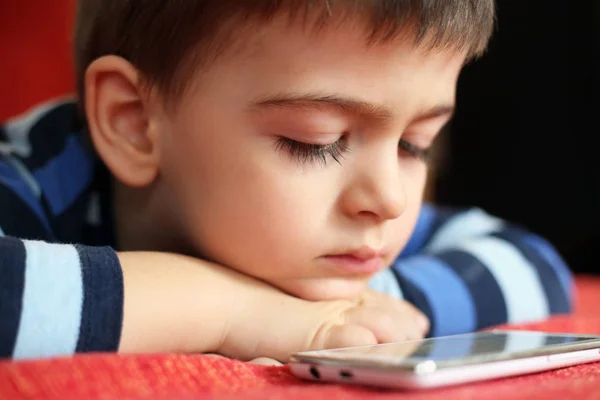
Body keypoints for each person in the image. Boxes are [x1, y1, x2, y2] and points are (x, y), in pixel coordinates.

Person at [0, 0, 572, 362]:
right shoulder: (30, 177)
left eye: (412, 145)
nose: (390, 200)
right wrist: (233, 313)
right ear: (135, 124)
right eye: (315, 142)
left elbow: (534, 265)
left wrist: (351, 318)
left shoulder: (344, 230)